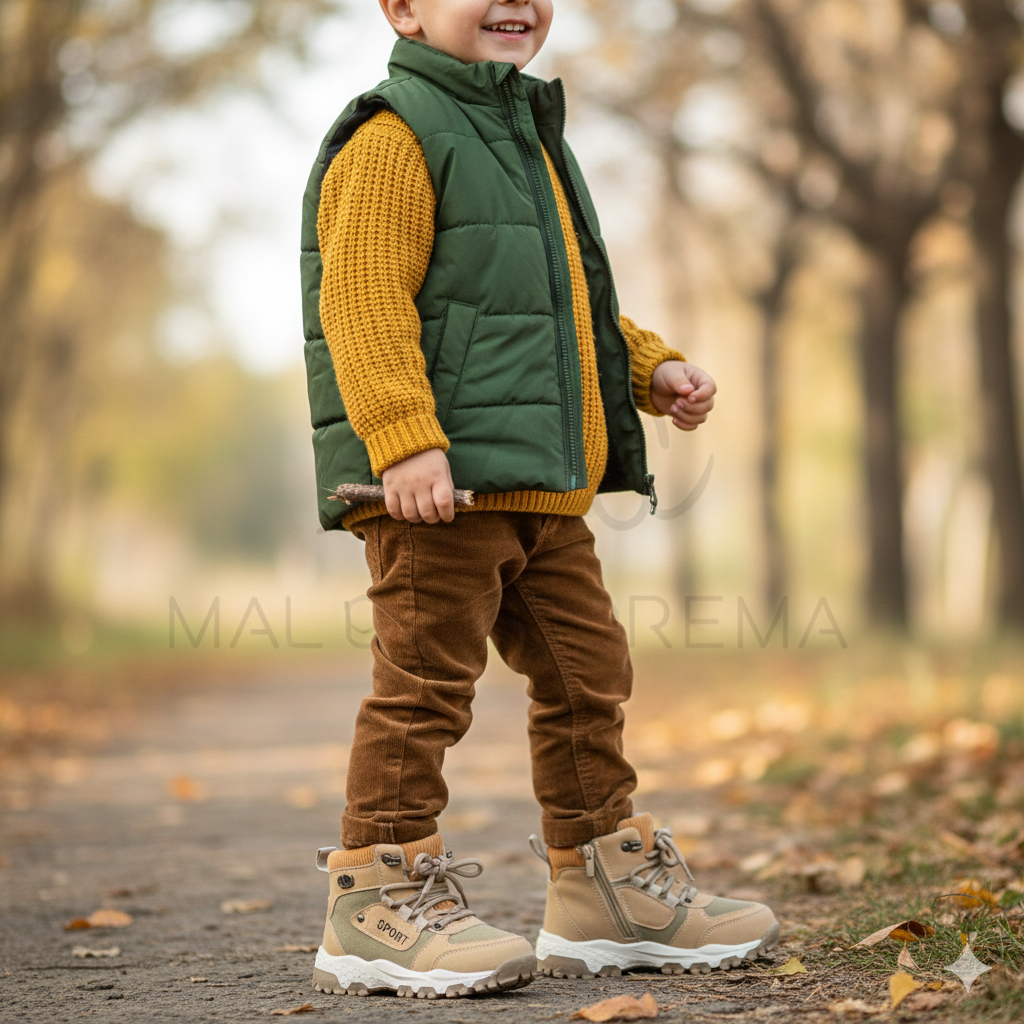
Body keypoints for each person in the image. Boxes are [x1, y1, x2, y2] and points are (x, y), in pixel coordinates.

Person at [299, 0, 779, 1000]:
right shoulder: (394, 136)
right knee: (425, 685)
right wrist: (405, 440)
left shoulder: (527, 134)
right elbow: (363, 299)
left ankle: (600, 885)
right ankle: (374, 899)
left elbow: (568, 305)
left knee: (586, 671)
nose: (513, 1)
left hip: (540, 488)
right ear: (403, 9)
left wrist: (651, 368)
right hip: (435, 489)